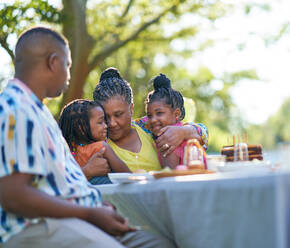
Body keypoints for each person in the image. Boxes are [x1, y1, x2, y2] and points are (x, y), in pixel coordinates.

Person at [0, 26, 174, 247]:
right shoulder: (16, 109)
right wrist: (89, 213)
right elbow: (13, 195)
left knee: (161, 242)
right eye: (67, 65)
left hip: (73, 219)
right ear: (53, 62)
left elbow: (57, 185)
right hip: (39, 227)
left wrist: (96, 206)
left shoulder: (36, 110)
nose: (69, 75)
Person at [93, 68, 208, 171]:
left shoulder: (148, 126)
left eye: (118, 115)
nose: (112, 123)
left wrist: (183, 132)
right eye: (105, 117)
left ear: (131, 108)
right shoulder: (99, 142)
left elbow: (204, 133)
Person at [59, 99, 131, 184]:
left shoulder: (66, 151)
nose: (106, 126)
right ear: (81, 127)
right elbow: (126, 175)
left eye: (105, 121)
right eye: (100, 122)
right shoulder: (102, 147)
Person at [146, 73, 206, 169]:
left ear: (176, 114)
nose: (153, 120)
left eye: (159, 113)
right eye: (149, 115)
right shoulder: (180, 128)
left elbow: (170, 176)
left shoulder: (168, 140)